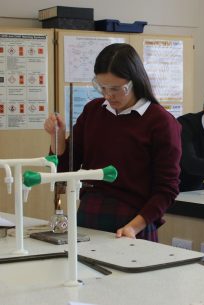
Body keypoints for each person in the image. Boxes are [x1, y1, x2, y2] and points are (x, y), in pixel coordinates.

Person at [43, 43, 182, 242]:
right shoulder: (93, 110)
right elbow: (65, 170)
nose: (108, 95)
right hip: (90, 213)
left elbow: (167, 189)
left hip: (135, 221)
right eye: (102, 87)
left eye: (117, 89)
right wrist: (57, 136)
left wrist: (133, 227)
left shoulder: (161, 122)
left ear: (135, 81)